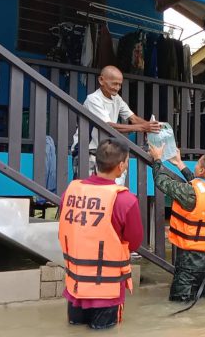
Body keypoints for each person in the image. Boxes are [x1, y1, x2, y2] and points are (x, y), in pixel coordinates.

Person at [58, 138, 144, 329]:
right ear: (121, 166)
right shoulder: (125, 200)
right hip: (107, 290)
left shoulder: (70, 191)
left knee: (74, 328)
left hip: (76, 285)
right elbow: (135, 242)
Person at [149, 145, 205, 304]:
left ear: (201, 171)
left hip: (191, 260)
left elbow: (162, 181)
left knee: (180, 302)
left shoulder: (191, 192)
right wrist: (179, 163)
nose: (196, 165)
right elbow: (200, 185)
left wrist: (157, 159)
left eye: (198, 163)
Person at [72, 65, 160, 181]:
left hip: (104, 152)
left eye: (119, 84)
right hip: (87, 151)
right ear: (101, 80)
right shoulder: (93, 99)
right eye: (114, 84)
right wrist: (142, 127)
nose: (117, 88)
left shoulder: (116, 98)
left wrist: (151, 126)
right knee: (91, 189)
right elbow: (108, 126)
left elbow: (133, 118)